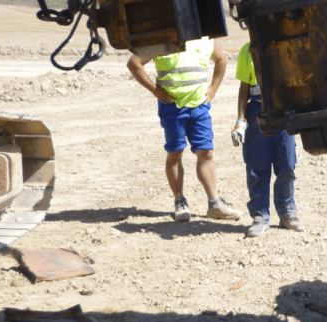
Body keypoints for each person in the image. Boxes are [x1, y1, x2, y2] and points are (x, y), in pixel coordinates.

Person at [127, 38, 243, 223]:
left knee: (206, 153)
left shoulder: (205, 39)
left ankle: (215, 205)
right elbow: (134, 63)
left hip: (199, 107)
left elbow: (221, 59)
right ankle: (179, 201)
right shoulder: (164, 38)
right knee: (175, 154)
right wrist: (155, 90)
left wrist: (213, 88)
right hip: (172, 108)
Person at [230, 43, 303, 238]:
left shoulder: (286, 45)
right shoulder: (247, 51)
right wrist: (241, 120)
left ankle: (287, 213)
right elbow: (244, 87)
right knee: (257, 166)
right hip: (256, 110)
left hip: (284, 110)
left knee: (286, 164)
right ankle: (260, 217)